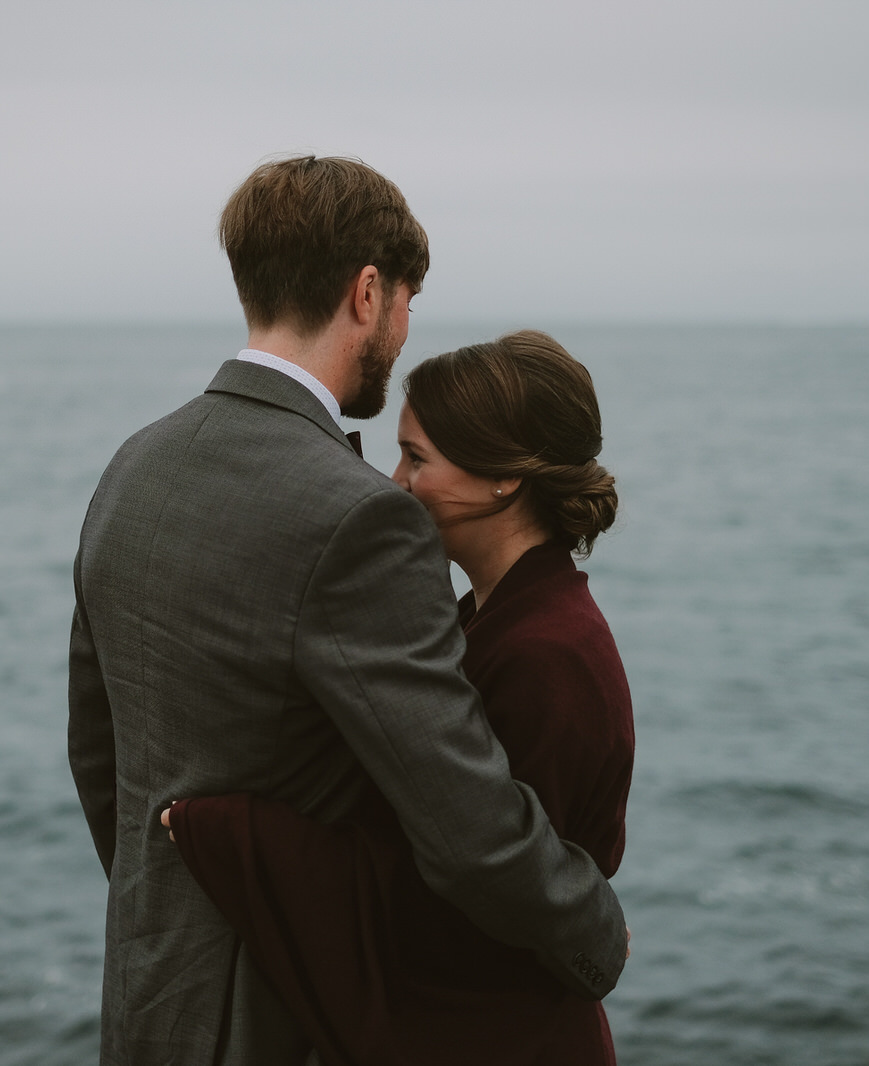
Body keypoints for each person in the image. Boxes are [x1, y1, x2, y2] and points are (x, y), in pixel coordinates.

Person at [68, 157, 629, 1066]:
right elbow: (465, 826)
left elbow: (100, 758)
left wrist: (175, 915)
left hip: (147, 1004)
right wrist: (596, 930)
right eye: (408, 300)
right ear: (368, 293)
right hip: (278, 1020)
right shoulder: (360, 516)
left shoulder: (134, 467)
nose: (406, 330)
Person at [165, 330, 635, 1066]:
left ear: (502, 478)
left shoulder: (549, 653)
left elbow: (477, 901)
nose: (393, 480)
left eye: (418, 458)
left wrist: (235, 833)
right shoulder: (489, 616)